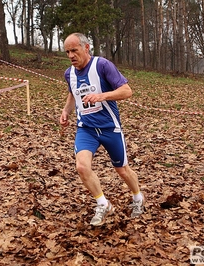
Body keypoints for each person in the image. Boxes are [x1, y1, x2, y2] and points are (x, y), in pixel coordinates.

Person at [59, 32, 144, 226]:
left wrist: (102, 96)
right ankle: (103, 204)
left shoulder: (102, 65)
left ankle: (138, 198)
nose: (71, 55)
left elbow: (127, 91)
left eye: (74, 50)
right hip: (86, 128)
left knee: (122, 170)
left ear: (86, 47)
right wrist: (65, 112)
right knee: (81, 166)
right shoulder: (69, 73)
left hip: (109, 128)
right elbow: (73, 94)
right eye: (67, 52)